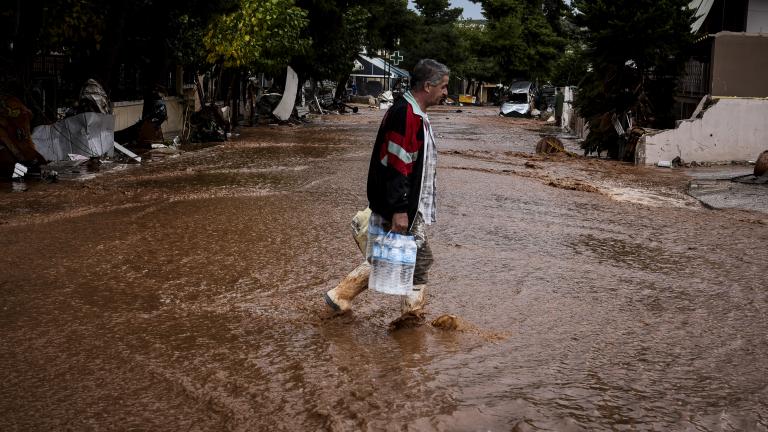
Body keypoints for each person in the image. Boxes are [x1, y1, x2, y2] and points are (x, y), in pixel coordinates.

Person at [324, 59, 450, 326]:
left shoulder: (412, 113)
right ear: (428, 86)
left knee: (397, 254)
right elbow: (398, 165)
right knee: (418, 258)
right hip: (401, 205)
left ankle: (342, 296)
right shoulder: (406, 115)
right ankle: (411, 320)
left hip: (404, 203)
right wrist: (400, 210)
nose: (446, 92)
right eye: (444, 86)